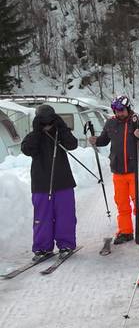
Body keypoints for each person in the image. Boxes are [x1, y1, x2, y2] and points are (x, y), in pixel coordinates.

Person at [88, 95, 139, 245]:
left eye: (121, 110)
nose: (119, 113)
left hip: (135, 170)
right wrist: (96, 141)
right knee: (121, 203)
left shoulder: (138, 121)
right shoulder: (111, 123)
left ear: (128, 108)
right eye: (116, 110)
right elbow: (104, 140)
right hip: (118, 171)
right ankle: (125, 231)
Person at [21, 105, 79, 261]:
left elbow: (72, 144)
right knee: (42, 217)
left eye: (50, 121)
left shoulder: (60, 134)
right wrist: (37, 131)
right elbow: (26, 149)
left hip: (63, 182)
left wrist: (62, 127)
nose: (47, 124)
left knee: (65, 216)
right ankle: (42, 248)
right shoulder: (34, 136)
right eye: (43, 121)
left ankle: (66, 244)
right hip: (41, 184)